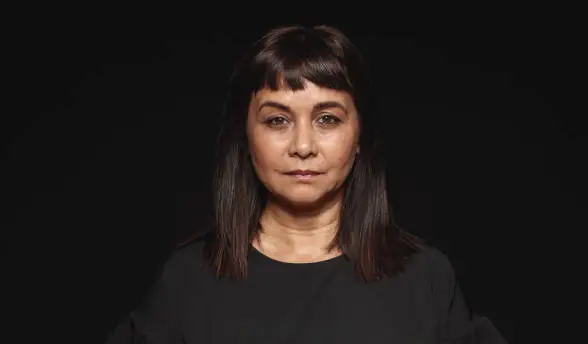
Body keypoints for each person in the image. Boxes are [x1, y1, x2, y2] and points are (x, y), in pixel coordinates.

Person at [104, 25, 507, 343]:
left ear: (360, 137)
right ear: (245, 135)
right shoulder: (186, 280)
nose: (302, 146)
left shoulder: (426, 279)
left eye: (327, 119)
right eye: (277, 120)